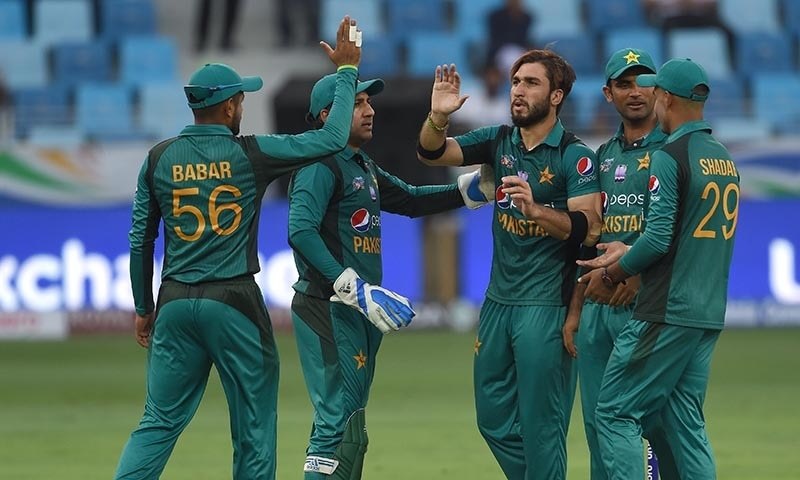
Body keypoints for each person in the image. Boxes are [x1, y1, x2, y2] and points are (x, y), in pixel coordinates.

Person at [114, 17, 362, 480]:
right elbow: (331, 138)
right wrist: (346, 73)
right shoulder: (251, 152)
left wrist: (143, 307)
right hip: (233, 302)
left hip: (172, 302)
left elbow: (139, 239)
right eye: (241, 98)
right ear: (229, 108)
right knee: (253, 425)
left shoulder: (158, 158)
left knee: (157, 423)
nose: (243, 105)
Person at [288, 72, 492, 480]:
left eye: (368, 102)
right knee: (335, 423)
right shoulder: (319, 165)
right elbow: (300, 230)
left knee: (352, 427)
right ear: (330, 113)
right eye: (359, 102)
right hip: (326, 307)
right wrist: (352, 286)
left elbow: (411, 200)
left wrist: (475, 190)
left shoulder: (360, 163)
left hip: (355, 309)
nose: (370, 110)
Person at [416, 49, 602, 479]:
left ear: (556, 96)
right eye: (516, 81)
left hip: (545, 306)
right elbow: (432, 153)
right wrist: (438, 117)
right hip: (498, 302)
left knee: (542, 426)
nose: (517, 90)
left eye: (530, 83)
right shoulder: (498, 142)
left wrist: (538, 212)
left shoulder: (575, 156)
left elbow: (590, 229)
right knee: (493, 420)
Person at [577, 58, 739, 480]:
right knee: (686, 424)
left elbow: (657, 238)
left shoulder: (670, 156)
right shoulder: (723, 159)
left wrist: (613, 272)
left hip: (666, 309)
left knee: (613, 412)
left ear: (665, 98)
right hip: (707, 312)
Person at [562, 47, 680, 480]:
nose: (636, 92)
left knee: (652, 423)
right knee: (598, 425)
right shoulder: (601, 156)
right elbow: (590, 238)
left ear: (659, 90)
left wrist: (639, 271)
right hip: (597, 308)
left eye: (644, 82)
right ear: (608, 93)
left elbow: (682, 234)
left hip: (645, 305)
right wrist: (576, 310)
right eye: (624, 84)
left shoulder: (674, 151)